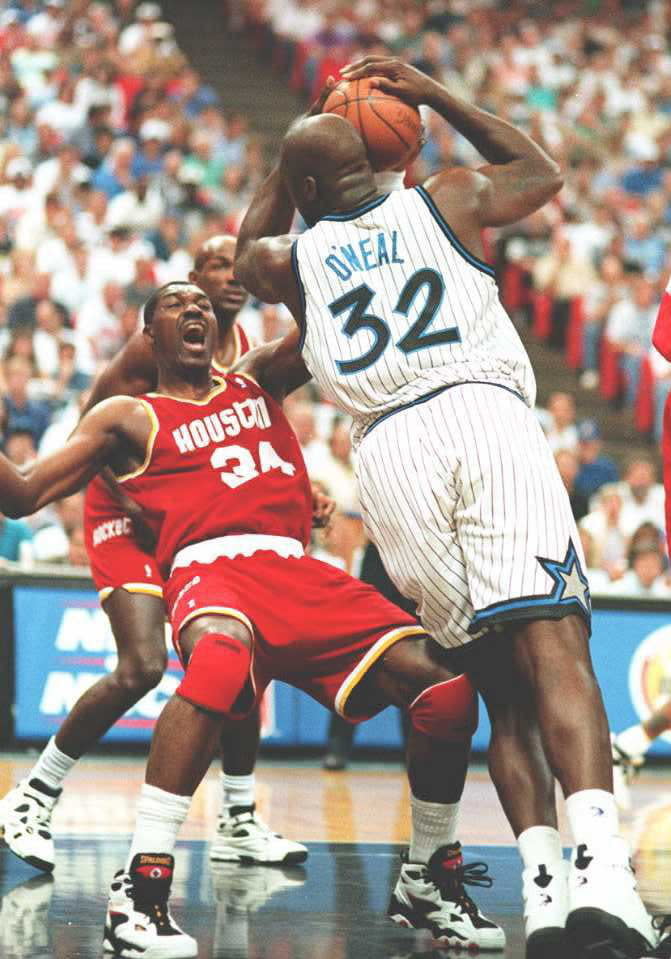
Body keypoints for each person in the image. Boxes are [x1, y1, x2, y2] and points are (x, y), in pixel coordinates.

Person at [233, 58, 658, 958]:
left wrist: (285, 169)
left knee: (499, 692)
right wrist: (429, 93)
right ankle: (605, 884)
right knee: (556, 646)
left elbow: (243, 252)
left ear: (311, 186)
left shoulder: (293, 261)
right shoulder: (447, 197)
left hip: (389, 456)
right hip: (479, 416)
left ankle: (541, 896)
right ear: (383, 157)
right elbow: (541, 172)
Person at [0, 282, 501, 957]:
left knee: (444, 690)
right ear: (150, 337)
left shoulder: (256, 379)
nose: (196, 309)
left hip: (298, 570)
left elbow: (315, 321)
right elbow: (25, 492)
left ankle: (427, 873)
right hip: (215, 569)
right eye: (176, 305)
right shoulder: (129, 415)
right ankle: (141, 891)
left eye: (203, 303)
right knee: (216, 661)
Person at [0, 236, 307, 873]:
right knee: (141, 667)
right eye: (211, 270)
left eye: (233, 268)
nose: (225, 281)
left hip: (197, 521)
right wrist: (145, 501)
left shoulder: (241, 357)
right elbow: (95, 447)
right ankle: (32, 796)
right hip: (129, 512)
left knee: (244, 653)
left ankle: (239, 817)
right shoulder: (145, 358)